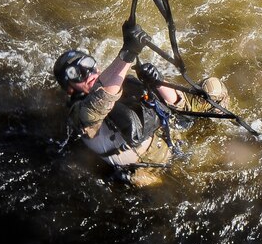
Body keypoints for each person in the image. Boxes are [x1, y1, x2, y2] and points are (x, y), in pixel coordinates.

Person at [53, 20, 230, 186]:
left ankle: (227, 124)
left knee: (213, 87)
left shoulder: (125, 81)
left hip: (173, 134)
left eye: (87, 63)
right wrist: (128, 53)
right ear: (69, 89)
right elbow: (98, 104)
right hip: (154, 168)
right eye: (74, 73)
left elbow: (182, 104)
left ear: (97, 66)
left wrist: (158, 83)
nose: (87, 72)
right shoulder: (78, 116)